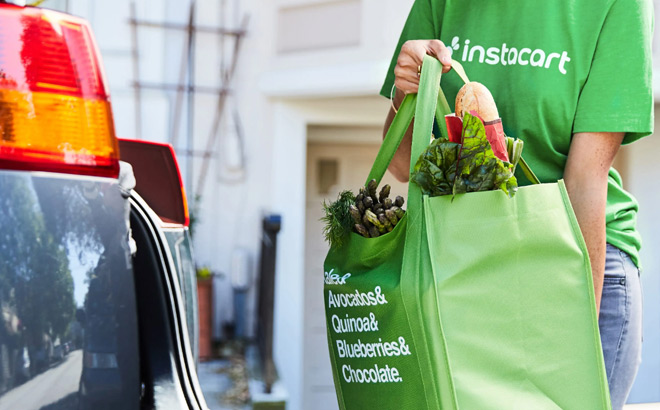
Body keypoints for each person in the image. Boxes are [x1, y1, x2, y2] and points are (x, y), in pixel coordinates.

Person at [381, 1, 653, 408]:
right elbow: (402, 165)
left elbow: (584, 183)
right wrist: (405, 92)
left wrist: (572, 342)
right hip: (466, 263)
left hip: (575, 261)